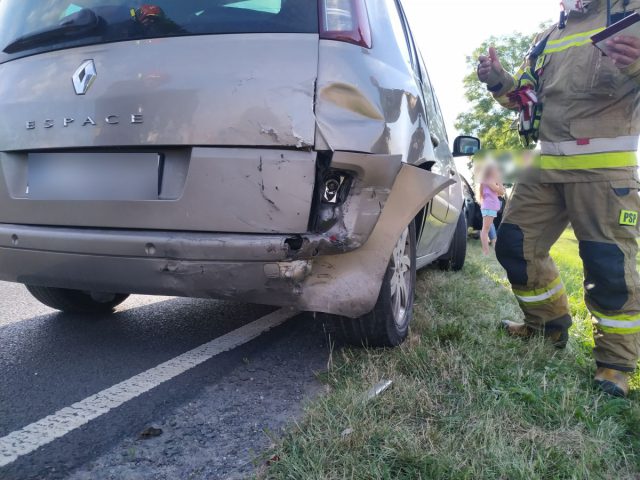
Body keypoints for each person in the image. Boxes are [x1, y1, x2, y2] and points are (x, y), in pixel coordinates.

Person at [477, 0, 640, 397]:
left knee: (608, 267)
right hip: (544, 164)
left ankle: (615, 365)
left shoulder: (629, 13)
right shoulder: (547, 38)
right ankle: (546, 328)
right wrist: (497, 78)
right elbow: (524, 99)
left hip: (604, 171)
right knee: (515, 246)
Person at [478, 162, 505, 255]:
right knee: (485, 229)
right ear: (490, 171)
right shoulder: (489, 180)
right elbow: (501, 192)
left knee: (486, 228)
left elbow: (497, 193)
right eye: (496, 169)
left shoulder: (488, 180)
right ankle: (485, 252)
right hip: (489, 207)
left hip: (489, 206)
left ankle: (486, 251)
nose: (497, 171)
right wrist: (500, 181)